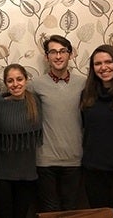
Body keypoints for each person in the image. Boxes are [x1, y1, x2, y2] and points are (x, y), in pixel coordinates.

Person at [31, 35, 85, 212]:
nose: (58, 56)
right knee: (50, 211)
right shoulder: (35, 85)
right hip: (45, 161)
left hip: (74, 160)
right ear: (46, 57)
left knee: (71, 210)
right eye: (53, 52)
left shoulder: (84, 83)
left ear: (70, 54)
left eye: (63, 51)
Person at [80, 44, 113, 217]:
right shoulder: (87, 96)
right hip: (93, 176)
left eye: (108, 62)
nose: (103, 67)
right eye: (98, 63)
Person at [0, 64, 43, 218]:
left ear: (26, 80)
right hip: (4, 173)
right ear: (6, 84)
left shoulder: (35, 101)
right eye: (10, 81)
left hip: (27, 173)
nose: (15, 84)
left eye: (19, 79)